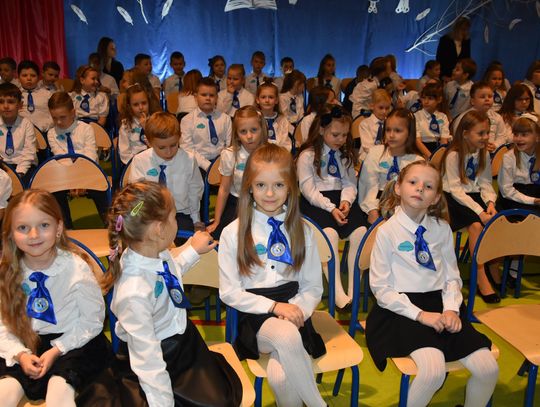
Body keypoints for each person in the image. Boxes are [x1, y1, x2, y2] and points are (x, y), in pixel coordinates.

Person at [366, 160, 498, 407]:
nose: (420, 188)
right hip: (401, 311)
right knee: (432, 372)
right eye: (413, 182)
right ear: (398, 188)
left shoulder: (441, 229)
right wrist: (420, 315)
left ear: (436, 197)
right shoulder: (387, 232)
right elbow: (381, 289)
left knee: (488, 368)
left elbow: (451, 277)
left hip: (441, 305)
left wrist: (451, 309)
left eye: (428, 186)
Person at [103, 181, 242, 407]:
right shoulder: (134, 293)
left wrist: (192, 250)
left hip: (184, 345)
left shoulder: (153, 253)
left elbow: (171, 270)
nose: (177, 221)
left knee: (218, 398)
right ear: (159, 229)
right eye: (174, 216)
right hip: (154, 359)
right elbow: (148, 362)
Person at [219, 143, 327, 407]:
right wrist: (274, 307)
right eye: (261, 185)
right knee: (286, 336)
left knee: (280, 378)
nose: (269, 193)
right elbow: (229, 292)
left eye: (278, 185)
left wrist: (296, 310)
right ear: (249, 187)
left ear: (290, 187)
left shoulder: (303, 231)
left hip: (295, 311)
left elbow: (313, 286)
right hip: (254, 314)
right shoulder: (232, 233)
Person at [0, 190, 111, 407]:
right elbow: (2, 326)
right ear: (11, 233)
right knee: (5, 391)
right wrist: (20, 354)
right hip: (23, 343)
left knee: (59, 391)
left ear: (58, 228)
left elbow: (92, 321)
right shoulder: (7, 272)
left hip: (72, 342)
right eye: (23, 228)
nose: (34, 235)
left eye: (44, 225)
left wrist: (57, 349)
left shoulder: (76, 268)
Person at [297, 104, 367, 309]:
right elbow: (308, 190)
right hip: (316, 203)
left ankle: (353, 291)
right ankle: (338, 293)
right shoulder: (307, 155)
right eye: (336, 135)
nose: (341, 140)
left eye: (345, 135)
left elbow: (350, 184)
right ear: (321, 130)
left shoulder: (344, 155)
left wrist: (346, 201)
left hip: (341, 201)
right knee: (329, 235)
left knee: (361, 233)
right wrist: (331, 208)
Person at [441, 110, 500, 303]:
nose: (485, 137)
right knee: (476, 225)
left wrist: (490, 203)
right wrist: (480, 212)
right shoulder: (453, 155)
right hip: (452, 199)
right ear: (465, 134)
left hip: (474, 197)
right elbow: (456, 190)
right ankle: (480, 277)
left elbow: (485, 183)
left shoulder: (484, 153)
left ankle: (491, 267)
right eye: (480, 133)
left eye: (487, 133)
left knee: (495, 220)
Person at [128, 112, 204, 232]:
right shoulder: (140, 161)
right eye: (162, 147)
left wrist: (196, 220)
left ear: (179, 138)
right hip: (150, 214)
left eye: (173, 145)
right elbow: (137, 195)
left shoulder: (188, 160)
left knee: (184, 238)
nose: (168, 152)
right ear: (149, 142)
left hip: (180, 213)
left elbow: (195, 192)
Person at [47, 92, 109, 229]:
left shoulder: (86, 129)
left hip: (89, 172)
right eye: (54, 118)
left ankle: (110, 226)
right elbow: (61, 158)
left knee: (102, 191)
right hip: (65, 175)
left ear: (73, 113)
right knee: (55, 193)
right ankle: (67, 228)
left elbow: (90, 155)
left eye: (62, 117)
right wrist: (73, 180)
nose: (58, 122)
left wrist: (81, 179)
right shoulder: (51, 133)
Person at [207, 106, 268, 239]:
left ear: (262, 129)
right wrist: (217, 220)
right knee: (222, 237)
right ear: (237, 135)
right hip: (237, 203)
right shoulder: (230, 155)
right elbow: (224, 189)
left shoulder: (270, 153)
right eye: (243, 131)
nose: (249, 136)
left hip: (265, 203)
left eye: (254, 130)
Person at [358, 108, 424, 224]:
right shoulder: (375, 153)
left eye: (398, 131)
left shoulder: (417, 162)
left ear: (409, 133)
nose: (391, 135)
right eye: (388, 130)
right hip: (377, 201)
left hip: (405, 206)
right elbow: (369, 187)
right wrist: (372, 210)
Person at [180, 77, 232, 173]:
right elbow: (187, 148)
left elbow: (229, 145)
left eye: (211, 95)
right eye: (204, 95)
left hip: (222, 164)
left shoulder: (225, 119)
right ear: (195, 97)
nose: (208, 98)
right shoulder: (187, 120)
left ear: (216, 98)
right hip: (197, 166)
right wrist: (208, 166)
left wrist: (221, 163)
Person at [497, 115, 540, 213]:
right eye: (516, 134)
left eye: (524, 135)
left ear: (537, 137)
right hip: (514, 199)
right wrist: (533, 201)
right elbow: (506, 190)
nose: (518, 139)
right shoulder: (509, 158)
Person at [451, 81, 509, 152]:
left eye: (490, 96)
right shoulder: (464, 117)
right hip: (470, 152)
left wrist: (495, 145)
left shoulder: (497, 117)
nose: (487, 99)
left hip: (492, 152)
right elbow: (458, 138)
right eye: (482, 97)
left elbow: (502, 136)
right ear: (472, 101)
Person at [0, 83, 36, 184]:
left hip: (24, 166)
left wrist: (19, 173)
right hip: (2, 166)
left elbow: (29, 153)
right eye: (1, 102)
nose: (5, 106)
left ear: (20, 105)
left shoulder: (26, 124)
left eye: (11, 102)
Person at [118, 83, 159, 165]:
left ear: (149, 102)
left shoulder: (156, 120)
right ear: (129, 106)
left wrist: (146, 128)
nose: (141, 107)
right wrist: (137, 163)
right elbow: (124, 153)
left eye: (144, 103)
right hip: (133, 163)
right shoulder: (126, 125)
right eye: (136, 104)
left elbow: (159, 146)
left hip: (155, 160)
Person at [17, 60, 53, 135]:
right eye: (24, 75)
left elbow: (55, 112)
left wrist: (46, 126)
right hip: (21, 131)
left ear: (38, 77)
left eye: (33, 75)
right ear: (18, 77)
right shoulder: (14, 95)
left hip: (45, 131)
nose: (29, 78)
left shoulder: (47, 94)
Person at [415, 82, 450, 158]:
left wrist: (438, 157)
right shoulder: (416, 116)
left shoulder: (443, 117)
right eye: (424, 98)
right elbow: (417, 141)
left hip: (438, 149)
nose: (426, 102)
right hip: (421, 150)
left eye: (430, 98)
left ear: (439, 99)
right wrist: (431, 157)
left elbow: (444, 140)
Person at [255, 80, 292, 151]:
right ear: (257, 100)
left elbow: (285, 143)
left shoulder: (282, 120)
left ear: (276, 100)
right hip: (259, 154)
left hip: (279, 154)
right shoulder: (254, 119)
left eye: (271, 97)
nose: (267, 100)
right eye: (263, 97)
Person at [358, 89, 392, 160]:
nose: (384, 111)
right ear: (372, 106)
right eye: (381, 108)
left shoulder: (390, 124)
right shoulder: (365, 124)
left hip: (386, 156)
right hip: (367, 156)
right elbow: (367, 147)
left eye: (387, 108)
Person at [436, 16, 471, 82]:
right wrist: (442, 76)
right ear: (456, 28)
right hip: (446, 76)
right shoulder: (445, 40)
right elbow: (439, 59)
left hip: (460, 78)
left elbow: (467, 60)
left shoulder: (466, 41)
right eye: (463, 29)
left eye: (467, 29)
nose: (465, 32)